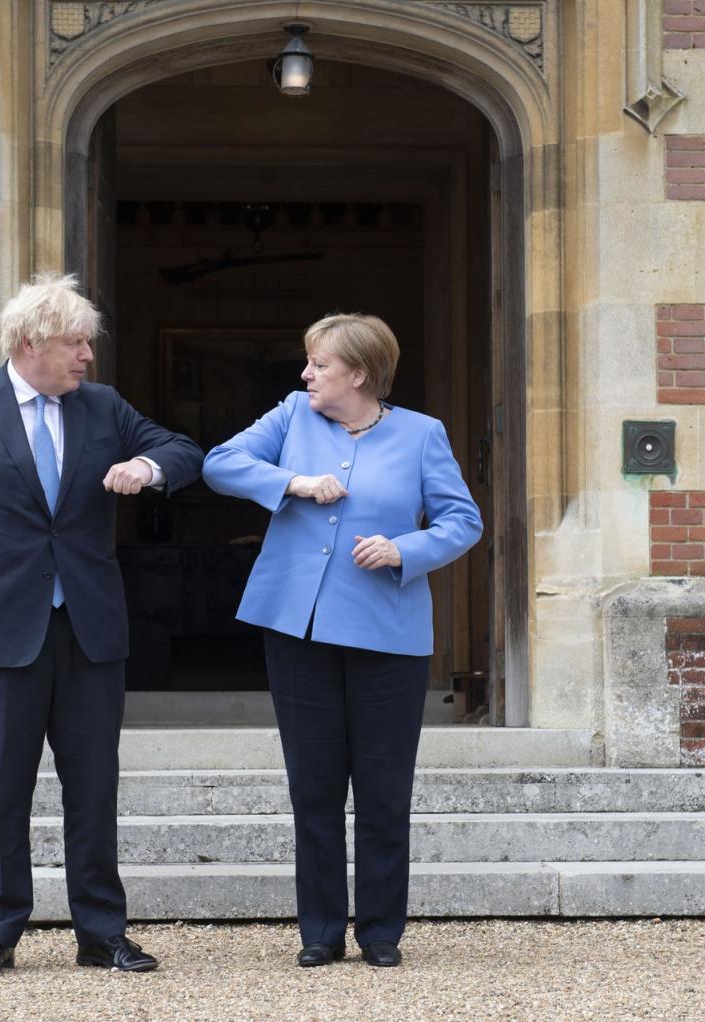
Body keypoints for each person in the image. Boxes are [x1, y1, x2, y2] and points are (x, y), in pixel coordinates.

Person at [0, 273, 203, 978]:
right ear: (31, 343)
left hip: (89, 630)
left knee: (94, 786)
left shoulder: (104, 407)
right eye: (76, 342)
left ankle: (101, 933)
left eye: (89, 342)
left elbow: (184, 451)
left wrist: (145, 467)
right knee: (3, 789)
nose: (88, 355)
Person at [202, 313, 482, 969]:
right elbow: (220, 463)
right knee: (315, 787)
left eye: (319, 364)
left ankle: (381, 931)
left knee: (384, 791)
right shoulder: (292, 417)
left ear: (358, 374)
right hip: (297, 630)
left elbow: (461, 521)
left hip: (389, 635)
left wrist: (403, 548)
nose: (306, 374)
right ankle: (320, 932)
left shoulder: (421, 434)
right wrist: (292, 483)